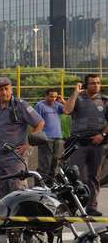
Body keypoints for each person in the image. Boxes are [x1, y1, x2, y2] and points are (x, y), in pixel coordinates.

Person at [0, 77, 44, 198]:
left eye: (6, 89)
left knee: (18, 191)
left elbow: (39, 123)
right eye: (0, 89)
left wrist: (28, 144)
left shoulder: (20, 106)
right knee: (2, 191)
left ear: (11, 89)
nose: (4, 92)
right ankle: (7, 216)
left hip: (16, 156)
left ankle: (21, 216)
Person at [63, 74, 108, 216]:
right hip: (78, 143)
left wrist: (103, 135)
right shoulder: (78, 98)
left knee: (93, 177)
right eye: (92, 83)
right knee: (75, 176)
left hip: (97, 143)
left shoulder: (105, 100)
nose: (96, 85)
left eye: (98, 83)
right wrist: (76, 92)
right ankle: (73, 207)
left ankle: (92, 207)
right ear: (85, 85)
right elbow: (66, 110)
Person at [35, 88, 65, 182]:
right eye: (51, 96)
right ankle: (40, 184)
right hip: (46, 138)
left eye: (55, 96)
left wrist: (63, 101)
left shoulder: (57, 105)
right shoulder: (40, 105)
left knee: (56, 163)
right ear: (46, 96)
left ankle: (52, 183)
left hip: (58, 138)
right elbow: (35, 121)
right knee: (45, 163)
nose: (53, 98)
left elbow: (68, 110)